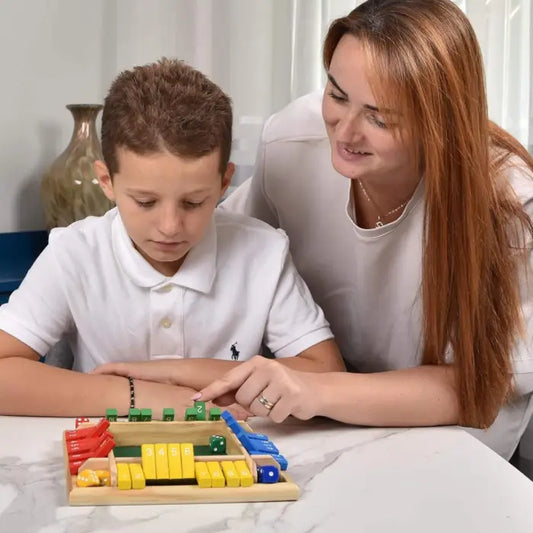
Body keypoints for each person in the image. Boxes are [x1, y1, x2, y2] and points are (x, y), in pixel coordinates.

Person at [192, 0, 533, 460]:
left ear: (439, 125)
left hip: (447, 440)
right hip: (316, 424)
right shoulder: (292, 142)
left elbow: (480, 388)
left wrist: (318, 389)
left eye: (379, 117)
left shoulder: (508, 203)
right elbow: (232, 255)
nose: (345, 131)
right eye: (336, 94)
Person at [0, 58, 344, 419]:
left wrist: (179, 374)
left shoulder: (263, 252)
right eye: (145, 202)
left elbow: (326, 373)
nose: (169, 226)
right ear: (106, 182)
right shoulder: (74, 253)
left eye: (193, 202)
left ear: (225, 182)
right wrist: (140, 396)